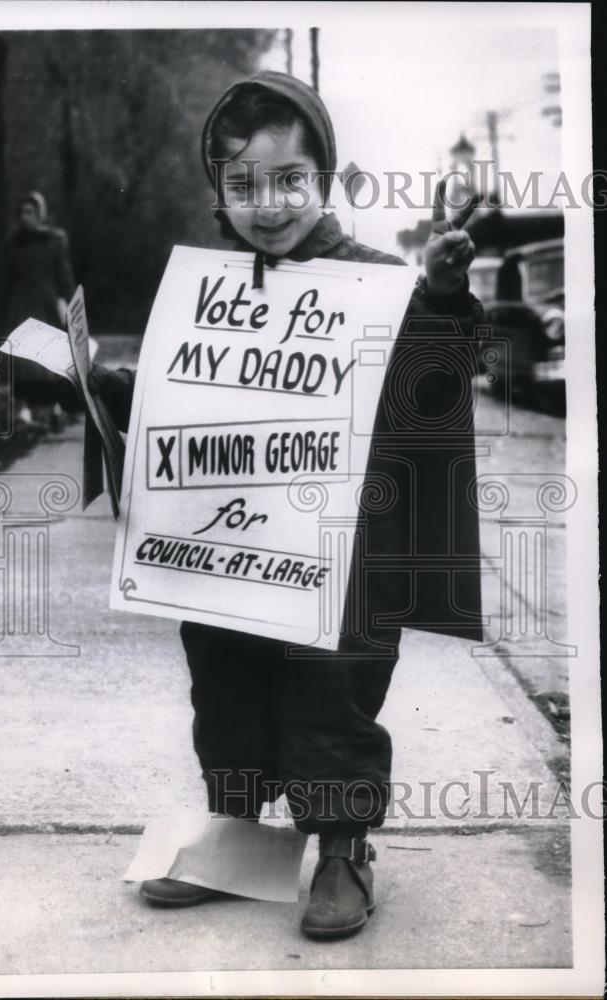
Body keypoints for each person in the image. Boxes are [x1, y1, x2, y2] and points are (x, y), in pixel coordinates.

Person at [63, 72, 483, 940]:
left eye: (287, 178)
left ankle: (341, 846)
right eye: (242, 182)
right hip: (229, 548)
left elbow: (433, 382)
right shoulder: (204, 286)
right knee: (224, 685)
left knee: (334, 692)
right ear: (216, 187)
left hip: (343, 550)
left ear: (323, 178)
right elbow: (176, 400)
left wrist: (441, 298)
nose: (267, 202)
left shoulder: (375, 281)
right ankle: (240, 837)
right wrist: (108, 385)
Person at [0, 191, 76, 429]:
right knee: (22, 360)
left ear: (40, 214)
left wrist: (70, 304)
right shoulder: (13, 244)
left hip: (46, 304)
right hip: (20, 305)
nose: (25, 217)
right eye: (21, 212)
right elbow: (5, 281)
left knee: (47, 359)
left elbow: (64, 276)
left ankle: (55, 409)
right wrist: (0, 312)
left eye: (30, 212)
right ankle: (24, 410)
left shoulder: (54, 241)